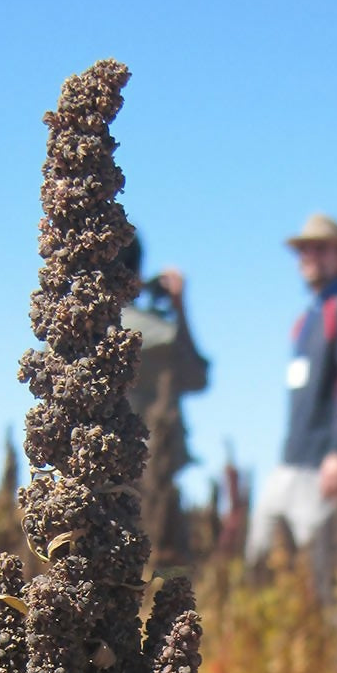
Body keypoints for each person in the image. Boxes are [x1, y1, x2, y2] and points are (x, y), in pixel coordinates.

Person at [246, 213, 337, 596]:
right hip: (291, 460)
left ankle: (331, 652)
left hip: (324, 465)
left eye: (320, 249)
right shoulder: (308, 319)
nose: (308, 257)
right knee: (259, 556)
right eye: (304, 249)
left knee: (320, 575)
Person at [121, 234, 210, 559]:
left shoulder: (74, 332)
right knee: (167, 582)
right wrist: (179, 308)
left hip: (91, 483)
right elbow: (197, 378)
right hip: (154, 474)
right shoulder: (157, 334)